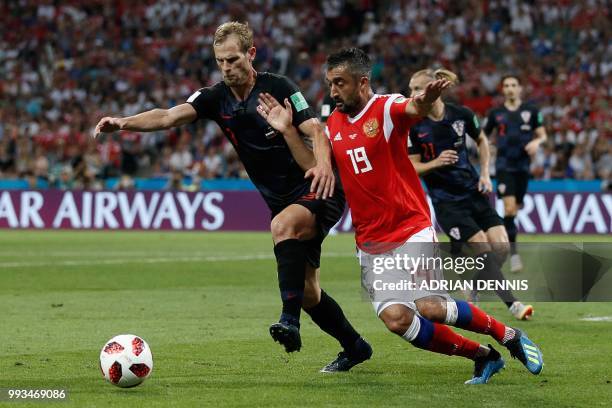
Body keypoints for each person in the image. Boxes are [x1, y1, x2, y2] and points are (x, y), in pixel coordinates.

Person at [93, 22, 372, 372]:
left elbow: (315, 128)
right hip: (282, 197)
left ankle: (288, 322)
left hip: (318, 186)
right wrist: (122, 122)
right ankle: (355, 346)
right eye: (220, 61)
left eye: (233, 59)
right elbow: (167, 116)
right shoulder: (215, 98)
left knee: (282, 226)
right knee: (309, 292)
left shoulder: (278, 88)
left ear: (250, 54)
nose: (226, 67)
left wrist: (325, 166)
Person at [257, 48, 543, 384]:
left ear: (362, 82)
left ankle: (507, 335)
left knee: (431, 306)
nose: (332, 91)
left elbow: (412, 107)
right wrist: (289, 132)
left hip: (411, 227)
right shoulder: (332, 124)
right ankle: (482, 356)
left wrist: (424, 101)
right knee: (397, 319)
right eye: (329, 83)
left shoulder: (386, 107)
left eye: (340, 83)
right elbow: (316, 170)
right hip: (371, 240)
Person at [406, 68, 534, 320]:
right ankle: (514, 305)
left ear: (433, 89)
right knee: (484, 250)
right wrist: (435, 163)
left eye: (416, 89)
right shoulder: (414, 126)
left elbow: (483, 141)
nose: (412, 95)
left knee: (501, 248)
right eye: (410, 89)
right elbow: (412, 166)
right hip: (447, 202)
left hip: (473, 192)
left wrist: (485, 173)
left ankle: (472, 284)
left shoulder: (461, 115)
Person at [483, 75, 547, 272]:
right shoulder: (496, 113)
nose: (510, 88)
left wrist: (536, 142)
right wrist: (488, 147)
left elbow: (543, 134)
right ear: (503, 90)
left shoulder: (532, 111)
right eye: (507, 85)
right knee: (509, 209)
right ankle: (513, 254)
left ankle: (499, 237)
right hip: (504, 167)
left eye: (513, 85)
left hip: (523, 168)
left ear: (520, 88)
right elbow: (483, 135)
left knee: (514, 209)